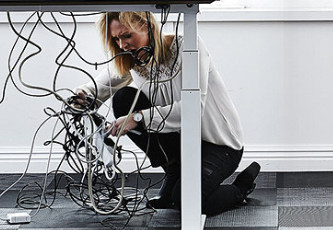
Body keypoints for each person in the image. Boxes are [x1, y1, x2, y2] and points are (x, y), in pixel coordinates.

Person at [71, 11, 260, 216]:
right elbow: (99, 87)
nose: (122, 45)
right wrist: (81, 96)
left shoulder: (189, 48)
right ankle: (174, 170)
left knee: (186, 202)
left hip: (219, 145)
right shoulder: (132, 58)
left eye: (127, 36)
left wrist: (138, 118)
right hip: (182, 142)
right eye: (116, 39)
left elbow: (193, 108)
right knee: (124, 98)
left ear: (148, 26)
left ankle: (240, 188)